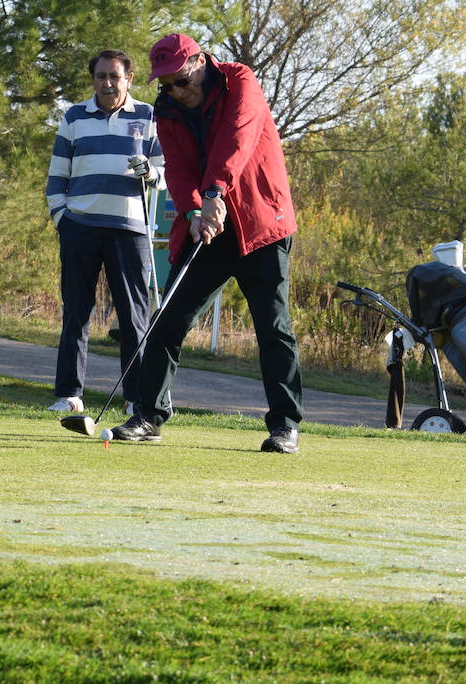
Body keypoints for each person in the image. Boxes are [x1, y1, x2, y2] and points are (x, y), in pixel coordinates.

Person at [110, 33, 303, 453]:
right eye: (167, 85)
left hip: (260, 224)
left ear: (200, 62)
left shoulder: (240, 82)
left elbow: (236, 140)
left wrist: (214, 193)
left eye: (182, 80)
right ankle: (148, 415)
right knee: (169, 320)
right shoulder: (168, 108)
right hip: (207, 227)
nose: (177, 92)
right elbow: (178, 169)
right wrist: (194, 212)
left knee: (272, 328)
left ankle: (285, 425)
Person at [45, 49, 164, 415]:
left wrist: (150, 172)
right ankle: (69, 394)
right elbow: (56, 177)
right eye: (101, 76)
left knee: (133, 318)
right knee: (76, 314)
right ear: (93, 79)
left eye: (115, 76)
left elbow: (164, 172)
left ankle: (136, 400)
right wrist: (62, 218)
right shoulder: (75, 116)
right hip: (80, 226)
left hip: (130, 230)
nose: (108, 83)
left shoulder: (148, 116)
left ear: (129, 78)